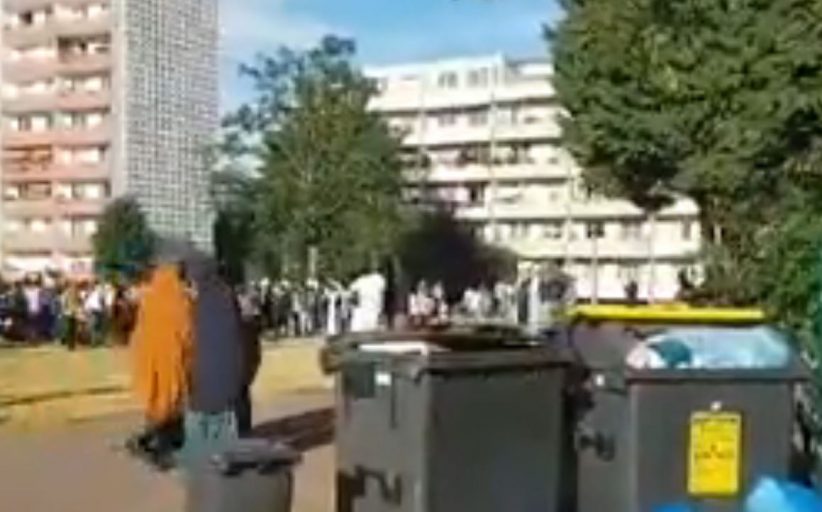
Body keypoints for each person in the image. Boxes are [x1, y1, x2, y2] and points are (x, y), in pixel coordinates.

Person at [181, 258, 248, 468]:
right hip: (228, 387)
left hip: (202, 388)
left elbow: (188, 345)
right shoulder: (227, 298)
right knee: (223, 451)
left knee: (199, 454)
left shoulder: (196, 306)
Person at [127, 264, 193, 470]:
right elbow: (189, 333)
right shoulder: (181, 300)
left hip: (150, 360)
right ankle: (160, 449)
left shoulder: (149, 299)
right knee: (171, 403)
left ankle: (152, 440)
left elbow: (138, 333)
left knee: (157, 401)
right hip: (172, 361)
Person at [349, 265, 387, 332]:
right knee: (372, 329)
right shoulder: (379, 279)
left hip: (365, 310)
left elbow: (352, 291)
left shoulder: (360, 281)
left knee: (360, 330)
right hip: (373, 310)